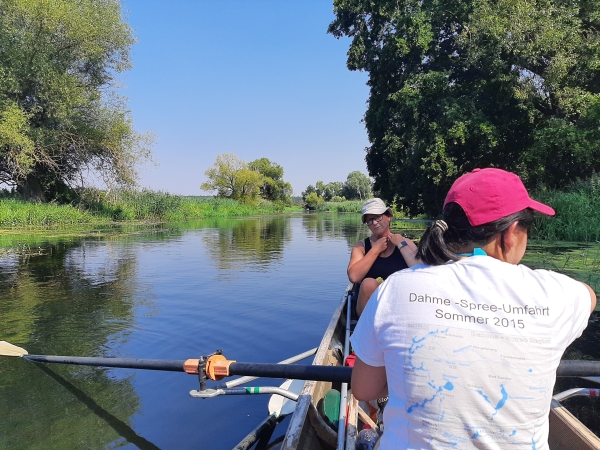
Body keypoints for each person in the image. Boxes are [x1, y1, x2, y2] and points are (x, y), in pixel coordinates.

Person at [350, 168, 596, 450]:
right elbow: (589, 295)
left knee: (366, 441)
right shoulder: (555, 294)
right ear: (512, 233)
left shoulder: (394, 288)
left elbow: (364, 390)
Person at [348, 198, 419, 316]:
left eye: (377, 217)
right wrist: (375, 250)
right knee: (369, 284)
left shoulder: (404, 242)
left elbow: (421, 270)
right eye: (369, 220)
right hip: (368, 313)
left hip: (398, 306)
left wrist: (401, 245)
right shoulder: (361, 246)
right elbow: (354, 277)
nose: (374, 223)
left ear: (388, 217)